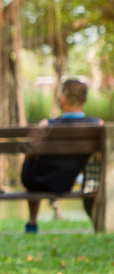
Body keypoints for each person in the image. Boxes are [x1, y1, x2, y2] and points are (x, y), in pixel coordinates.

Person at [21, 79, 103, 234]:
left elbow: (29, 154)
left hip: (36, 180)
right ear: (84, 100)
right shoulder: (97, 124)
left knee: (29, 165)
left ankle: (32, 222)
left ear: (62, 99)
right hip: (65, 182)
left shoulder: (46, 125)